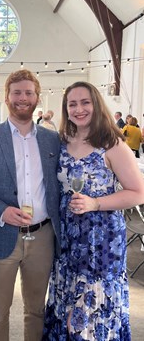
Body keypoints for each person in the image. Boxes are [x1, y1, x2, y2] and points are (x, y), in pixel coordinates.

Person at [43, 81, 144, 340]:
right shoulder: (62, 142)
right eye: (72, 104)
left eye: (85, 102)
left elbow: (138, 192)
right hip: (67, 243)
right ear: (65, 109)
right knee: (66, 312)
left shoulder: (112, 144)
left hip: (102, 245)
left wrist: (96, 203)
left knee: (93, 316)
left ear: (96, 104)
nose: (79, 109)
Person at [0, 69, 61, 340]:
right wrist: (1, 211)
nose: (23, 98)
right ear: (7, 97)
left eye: (29, 93)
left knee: (36, 311)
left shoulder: (51, 139)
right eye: (17, 92)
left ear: (37, 97)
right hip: (0, 236)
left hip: (43, 236)